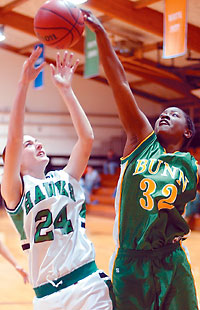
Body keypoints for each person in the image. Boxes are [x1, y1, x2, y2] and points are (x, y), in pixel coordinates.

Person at [84, 11, 199, 310]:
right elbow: (121, 84)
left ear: (188, 130)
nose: (164, 114)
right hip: (133, 262)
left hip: (172, 259)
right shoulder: (141, 142)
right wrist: (101, 36)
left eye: (174, 114)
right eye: (163, 112)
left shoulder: (191, 165)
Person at [1, 47, 115, 310]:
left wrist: (66, 90)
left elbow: (86, 138)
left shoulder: (67, 178)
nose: (37, 144)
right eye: (29, 145)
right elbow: (14, 139)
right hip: (48, 298)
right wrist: (22, 85)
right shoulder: (15, 190)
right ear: (14, 162)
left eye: (37, 141)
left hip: (87, 283)